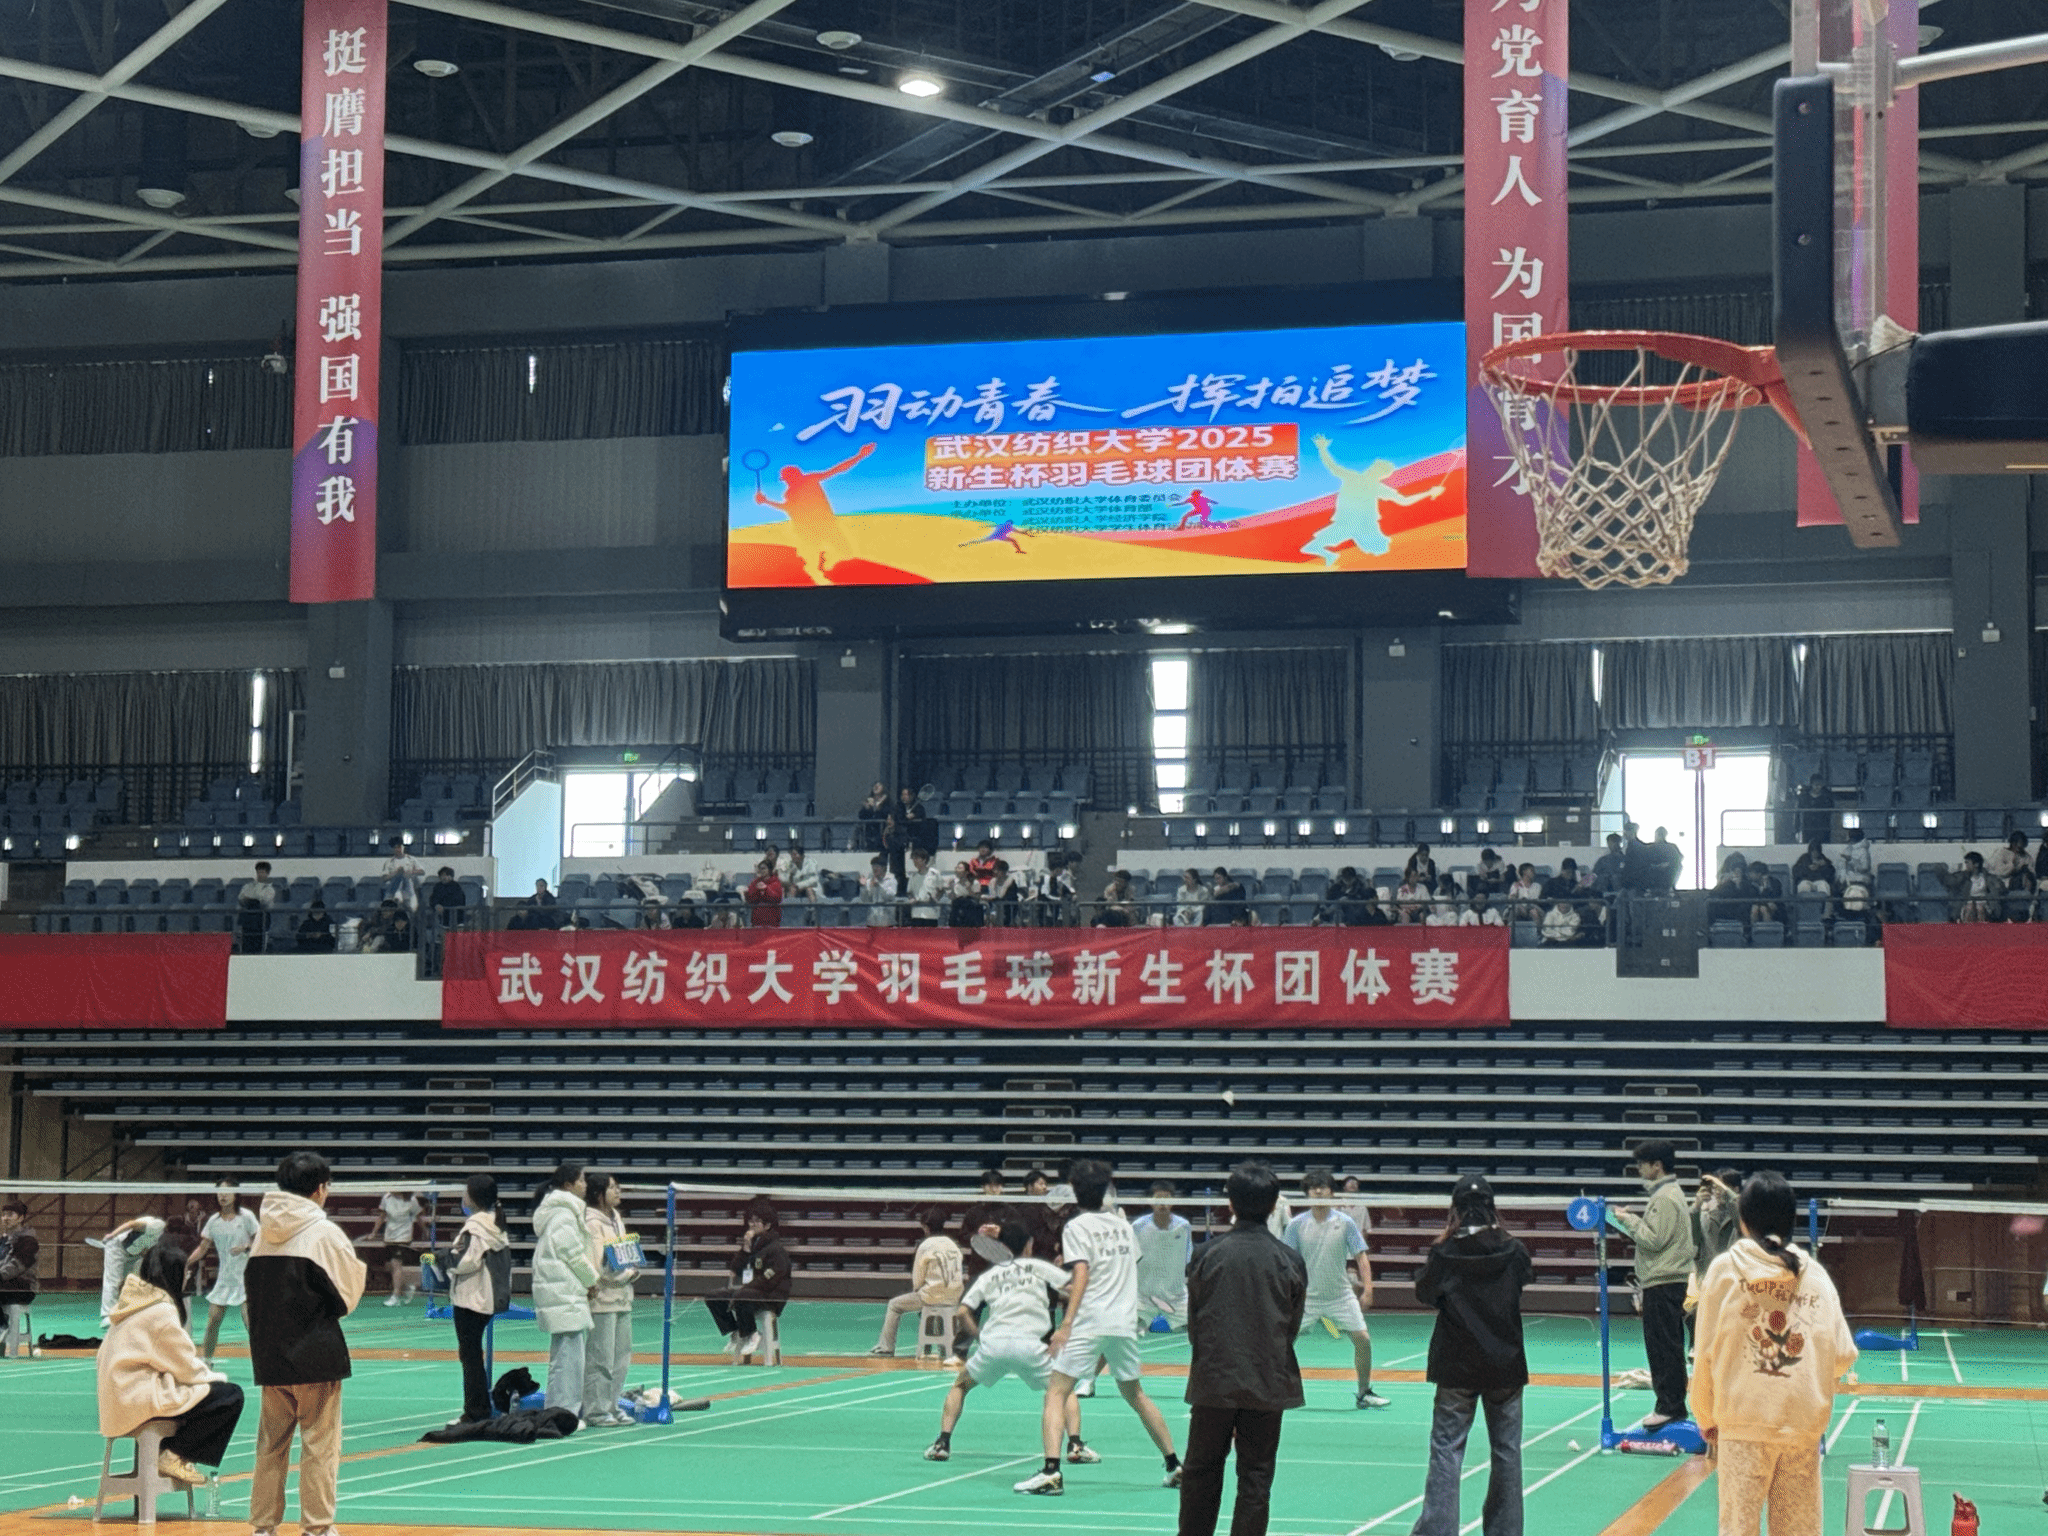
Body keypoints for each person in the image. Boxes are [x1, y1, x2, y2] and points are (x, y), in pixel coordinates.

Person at [1691, 1171, 1857, 1536]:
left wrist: (1704, 1414)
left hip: (1742, 1423)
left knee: (1738, 1529)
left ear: (1743, 1220)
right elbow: (1843, 1354)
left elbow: (1704, 1353)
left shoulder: (1724, 1271)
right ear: (1790, 1220)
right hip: (1802, 1425)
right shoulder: (1815, 1275)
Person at [1016, 1159, 1182, 1497]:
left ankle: (1051, 1472)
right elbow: (1125, 1265)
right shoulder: (1123, 1226)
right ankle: (1174, 1465)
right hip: (1124, 1322)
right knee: (1135, 1395)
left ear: (1075, 1191)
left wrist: (1065, 1323)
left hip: (1091, 1320)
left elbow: (1083, 1274)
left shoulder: (1076, 1227)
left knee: (1056, 1391)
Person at [1177, 1160, 1306, 1536]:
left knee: (1201, 1471)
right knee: (1256, 1477)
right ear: (1274, 1205)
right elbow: (1292, 1326)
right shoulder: (1290, 1260)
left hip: (1214, 1379)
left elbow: (1195, 1322)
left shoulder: (1206, 1254)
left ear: (1230, 1203)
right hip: (1267, 1380)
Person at [246, 1149, 367, 1536]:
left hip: (270, 1356)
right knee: (319, 1445)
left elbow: (252, 1298)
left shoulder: (262, 1233)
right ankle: (317, 1527)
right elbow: (347, 1296)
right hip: (315, 1355)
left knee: (270, 1444)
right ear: (320, 1189)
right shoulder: (324, 1233)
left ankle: (263, 1527)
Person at [1412, 1174, 1533, 1536]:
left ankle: (1437, 1531)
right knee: (1507, 1452)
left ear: (1456, 1208)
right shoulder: (1514, 1249)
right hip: (1505, 1364)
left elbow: (1425, 1292)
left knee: (1446, 1451)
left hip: (1457, 1364)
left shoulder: (1445, 1252)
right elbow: (1523, 1280)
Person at [924, 1221, 1086, 1464]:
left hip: (993, 1345)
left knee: (961, 1385)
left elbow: (962, 1312)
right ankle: (1075, 1445)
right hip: (1030, 1346)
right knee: (1064, 1390)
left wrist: (980, 1337)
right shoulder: (1039, 1267)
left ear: (1003, 1247)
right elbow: (1074, 1289)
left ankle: (942, 1443)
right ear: (1029, 1245)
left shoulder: (990, 1275)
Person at [98, 1243, 245, 1491]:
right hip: (138, 1399)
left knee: (200, 1397)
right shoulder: (160, 1310)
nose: (187, 1276)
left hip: (117, 1400)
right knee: (229, 1396)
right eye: (185, 1270)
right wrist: (216, 1378)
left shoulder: (130, 1303)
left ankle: (166, 1454)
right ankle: (174, 1455)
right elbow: (185, 1367)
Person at [1608, 1139, 1696, 1430]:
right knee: (1666, 1345)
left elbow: (1653, 1239)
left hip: (1664, 1280)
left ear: (1657, 1166)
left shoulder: (1665, 1197)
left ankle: (1669, 1407)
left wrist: (1628, 1220)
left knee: (1663, 1347)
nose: (1639, 1169)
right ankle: (1671, 1405)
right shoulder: (1668, 1194)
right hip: (1665, 1278)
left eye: (1642, 1164)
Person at [1283, 1168, 1384, 1408]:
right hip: (1307, 1298)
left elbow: (1361, 1256)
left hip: (1340, 1295)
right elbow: (1286, 1261)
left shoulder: (1345, 1222)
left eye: (1323, 1187)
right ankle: (1273, 1389)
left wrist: (1368, 1289)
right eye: (1313, 1188)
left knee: (1363, 1339)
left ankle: (1364, 1392)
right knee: (1281, 1341)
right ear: (1307, 1193)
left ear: (1331, 1192)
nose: (1318, 1191)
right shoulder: (1296, 1225)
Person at [1300, 434, 1443, 562]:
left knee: (1381, 554)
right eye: (1374, 467)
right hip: (1347, 522)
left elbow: (1404, 501)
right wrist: (1322, 449)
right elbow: (1332, 466)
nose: (1372, 470)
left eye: (1377, 469)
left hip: (1364, 524)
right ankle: (1331, 556)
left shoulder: (1377, 487)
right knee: (1310, 547)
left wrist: (1429, 492)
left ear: (1383, 475)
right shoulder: (1352, 477)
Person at [754, 441, 877, 582]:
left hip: (822, 525)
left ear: (793, 476)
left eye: (786, 478)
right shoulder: (795, 490)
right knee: (822, 558)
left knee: (842, 554)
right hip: (813, 528)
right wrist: (766, 501)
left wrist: (860, 456)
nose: (786, 481)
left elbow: (837, 470)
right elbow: (790, 509)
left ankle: (825, 567)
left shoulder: (806, 482)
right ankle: (821, 569)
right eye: (785, 479)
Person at [531, 1163, 597, 1417]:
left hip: (563, 1290)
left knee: (566, 1358)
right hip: (563, 1291)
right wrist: (592, 1281)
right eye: (581, 1180)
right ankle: (563, 1412)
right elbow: (572, 1254)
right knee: (568, 1361)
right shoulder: (563, 1214)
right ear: (569, 1185)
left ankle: (560, 1410)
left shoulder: (561, 1211)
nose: (585, 1185)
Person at [443, 1172, 508, 1427]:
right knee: (472, 1356)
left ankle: (475, 1412)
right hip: (485, 1299)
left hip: (471, 1299)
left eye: (465, 1192)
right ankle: (479, 1408)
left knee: (470, 1358)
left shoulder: (476, 1226)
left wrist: (443, 1259)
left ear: (473, 1196)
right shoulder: (495, 1223)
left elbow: (466, 1261)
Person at [582, 1172, 639, 1427]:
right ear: (598, 1193)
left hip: (623, 1296)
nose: (618, 1191)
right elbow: (596, 1264)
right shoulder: (591, 1222)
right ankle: (596, 1410)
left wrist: (631, 1270)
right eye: (612, 1187)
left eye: (618, 1186)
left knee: (621, 1358)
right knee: (600, 1358)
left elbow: (623, 1253)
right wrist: (623, 1274)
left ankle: (612, 1405)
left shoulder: (616, 1218)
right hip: (602, 1298)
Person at [705, 1196, 790, 1364]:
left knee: (742, 1295)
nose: (751, 1225)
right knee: (714, 1296)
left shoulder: (776, 1249)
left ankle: (753, 1335)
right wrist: (745, 1248)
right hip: (750, 1293)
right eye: (750, 1221)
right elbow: (736, 1270)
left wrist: (748, 1287)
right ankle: (735, 1332)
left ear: (767, 1225)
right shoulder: (753, 1244)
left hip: (771, 1296)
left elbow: (772, 1278)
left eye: (756, 1222)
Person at [871, 1206, 965, 1358]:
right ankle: (944, 1348)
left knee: (894, 1305)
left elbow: (918, 1279)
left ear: (925, 1227)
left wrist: (920, 1293)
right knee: (934, 1308)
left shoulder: (925, 1246)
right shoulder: (953, 1245)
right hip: (955, 1296)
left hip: (931, 1296)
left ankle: (886, 1347)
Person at [187, 1181, 259, 1362]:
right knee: (213, 1321)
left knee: (250, 1323)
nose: (223, 1195)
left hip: (246, 1278)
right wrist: (186, 1263)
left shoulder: (246, 1217)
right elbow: (203, 1248)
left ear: (235, 1194)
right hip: (225, 1279)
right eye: (219, 1192)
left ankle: (264, 1364)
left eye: (227, 1192)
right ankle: (206, 1362)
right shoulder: (213, 1221)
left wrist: (245, 1247)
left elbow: (260, 1241)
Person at [1132, 1181, 1193, 1331]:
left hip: (1176, 1297)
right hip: (1144, 1296)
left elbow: (1188, 1258)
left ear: (1173, 1201)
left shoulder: (1183, 1226)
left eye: (1167, 1198)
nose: (1163, 1203)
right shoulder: (1138, 1226)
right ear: (1150, 1201)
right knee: (1131, 1331)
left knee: (1194, 1330)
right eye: (1158, 1198)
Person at [92, 1213, 167, 1326]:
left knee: (135, 1282)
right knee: (114, 1280)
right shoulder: (157, 1225)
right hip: (117, 1247)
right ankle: (108, 1316)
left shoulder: (165, 1239)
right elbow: (131, 1224)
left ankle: (130, 1312)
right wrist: (111, 1235)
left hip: (135, 1255)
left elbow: (147, 1247)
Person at [1688, 1169, 1742, 1326]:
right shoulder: (1705, 1212)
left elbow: (1740, 1223)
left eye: (1722, 1187)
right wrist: (1696, 1206)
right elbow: (1694, 1239)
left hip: (1734, 1279)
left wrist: (1730, 1196)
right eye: (1715, 1188)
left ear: (1735, 1189)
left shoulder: (1744, 1212)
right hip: (1707, 1277)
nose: (1717, 1192)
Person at [0, 1200, 38, 1358]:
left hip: (22, 1288)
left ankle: (2, 1327)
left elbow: (17, 1266)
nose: (5, 1218)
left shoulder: (28, 1241)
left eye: (10, 1214)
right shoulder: (2, 1240)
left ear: (21, 1218)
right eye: (3, 1214)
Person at [376, 1188, 422, 1307]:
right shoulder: (386, 1198)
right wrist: (374, 1232)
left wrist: (425, 1230)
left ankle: (396, 1296)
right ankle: (406, 1288)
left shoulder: (412, 1200)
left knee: (396, 1264)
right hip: (389, 1236)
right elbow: (381, 1216)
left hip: (404, 1236)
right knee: (391, 1266)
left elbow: (418, 1217)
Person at [1950, 850, 2002, 923]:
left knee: (1980, 908)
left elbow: (1999, 890)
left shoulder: (1988, 878)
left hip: (1985, 904)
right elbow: (1951, 884)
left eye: (1967, 862)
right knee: (1970, 907)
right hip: (1967, 904)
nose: (1966, 865)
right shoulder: (1962, 877)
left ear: (1976, 864)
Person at [238, 861, 278, 955]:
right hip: (248, 919)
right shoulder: (248, 886)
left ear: (267, 873)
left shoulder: (269, 889)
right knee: (246, 944)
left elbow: (264, 901)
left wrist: (252, 898)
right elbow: (241, 897)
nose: (260, 874)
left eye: (263, 872)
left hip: (261, 919)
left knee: (259, 945)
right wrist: (254, 898)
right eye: (259, 872)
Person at [905, 848, 945, 927]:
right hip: (917, 913)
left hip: (931, 913)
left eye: (917, 858)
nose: (915, 861)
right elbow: (909, 892)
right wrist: (912, 898)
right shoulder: (913, 876)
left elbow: (941, 889)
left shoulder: (934, 873)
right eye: (913, 859)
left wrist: (935, 898)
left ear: (924, 860)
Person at [381, 838, 423, 909]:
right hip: (393, 889)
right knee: (398, 878)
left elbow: (422, 871)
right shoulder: (389, 862)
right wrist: (396, 873)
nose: (398, 849)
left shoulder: (411, 859)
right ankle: (397, 896)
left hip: (408, 888)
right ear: (392, 849)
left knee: (405, 878)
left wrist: (410, 872)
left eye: (399, 847)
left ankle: (400, 898)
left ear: (403, 847)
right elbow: (384, 878)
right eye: (395, 848)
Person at [1795, 771, 1834, 845]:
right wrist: (1797, 829)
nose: (1817, 787)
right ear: (1811, 784)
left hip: (1823, 829)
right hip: (1808, 829)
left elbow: (1832, 813)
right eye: (1815, 784)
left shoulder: (1827, 799)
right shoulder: (1804, 798)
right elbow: (1798, 814)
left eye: (1820, 784)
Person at [743, 858, 783, 928]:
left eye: (763, 868)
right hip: (757, 920)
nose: (761, 871)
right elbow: (750, 899)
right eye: (760, 869)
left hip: (772, 920)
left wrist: (766, 889)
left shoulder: (776, 882)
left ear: (769, 870)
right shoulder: (755, 882)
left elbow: (777, 898)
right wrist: (749, 893)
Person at [858, 855, 898, 926]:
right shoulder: (870, 881)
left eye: (877, 866)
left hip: (887, 921)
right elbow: (864, 900)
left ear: (883, 867)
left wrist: (879, 885)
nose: (874, 869)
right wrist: (863, 886)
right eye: (873, 866)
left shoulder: (891, 880)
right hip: (872, 921)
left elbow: (890, 896)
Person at [1745, 861, 1785, 926]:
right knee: (1756, 908)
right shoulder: (1750, 884)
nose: (1749, 875)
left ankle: (1768, 930)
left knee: (1764, 908)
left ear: (1759, 874)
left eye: (1751, 873)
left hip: (1773, 907)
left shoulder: (1775, 882)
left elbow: (1776, 897)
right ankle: (1752, 930)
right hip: (1756, 905)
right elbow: (1752, 898)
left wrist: (1765, 887)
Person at [857, 781, 891, 853]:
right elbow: (861, 816)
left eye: (878, 786)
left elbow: (887, 813)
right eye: (875, 785)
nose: (876, 787)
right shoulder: (869, 800)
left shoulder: (887, 801)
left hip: (882, 831)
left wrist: (878, 808)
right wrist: (867, 808)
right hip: (869, 831)